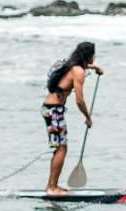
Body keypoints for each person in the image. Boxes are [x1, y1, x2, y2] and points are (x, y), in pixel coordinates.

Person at [42, 42, 102, 196]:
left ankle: (52, 185)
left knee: (60, 148)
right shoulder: (78, 71)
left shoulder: (72, 65)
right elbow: (79, 100)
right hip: (54, 110)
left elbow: (79, 69)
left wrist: (94, 68)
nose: (95, 57)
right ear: (88, 56)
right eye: (93, 55)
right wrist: (88, 118)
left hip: (51, 109)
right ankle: (51, 188)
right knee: (61, 148)